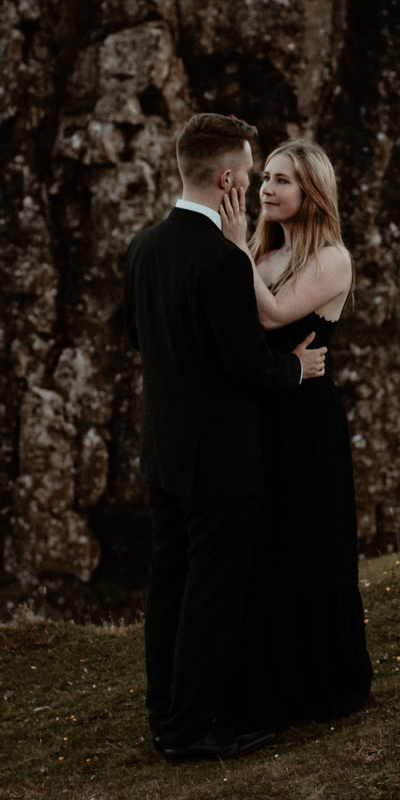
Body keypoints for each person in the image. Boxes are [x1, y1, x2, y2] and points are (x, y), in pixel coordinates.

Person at [124, 113, 327, 763]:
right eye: (250, 167)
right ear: (229, 178)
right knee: (211, 595)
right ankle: (189, 730)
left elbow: (138, 338)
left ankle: (165, 715)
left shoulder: (144, 247)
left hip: (164, 449)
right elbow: (246, 364)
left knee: (170, 586)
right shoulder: (218, 258)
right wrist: (298, 367)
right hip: (219, 458)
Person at [224, 139, 373, 726]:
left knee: (313, 543)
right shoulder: (258, 256)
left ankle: (327, 684)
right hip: (260, 417)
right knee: (268, 550)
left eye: (282, 180)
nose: (266, 188)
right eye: (266, 178)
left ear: (310, 192)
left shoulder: (331, 259)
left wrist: (233, 245)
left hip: (307, 424)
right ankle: (275, 683)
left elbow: (272, 317)